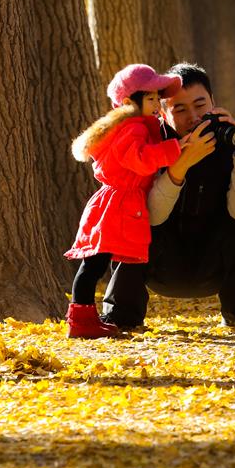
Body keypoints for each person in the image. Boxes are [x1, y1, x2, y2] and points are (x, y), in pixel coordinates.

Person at [101, 62, 235, 333]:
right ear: (162, 113)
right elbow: (153, 216)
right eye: (180, 109)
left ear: (214, 103)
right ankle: (121, 315)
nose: (193, 117)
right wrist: (180, 165)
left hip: (216, 264)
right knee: (127, 212)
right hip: (158, 264)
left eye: (200, 105)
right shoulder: (148, 145)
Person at [64, 63, 184, 339]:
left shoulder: (139, 125)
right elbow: (140, 161)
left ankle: (83, 318)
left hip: (118, 202)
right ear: (130, 102)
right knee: (94, 263)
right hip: (117, 205)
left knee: (96, 263)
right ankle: (80, 320)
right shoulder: (134, 129)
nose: (157, 104)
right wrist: (176, 149)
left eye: (158, 97)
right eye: (151, 98)